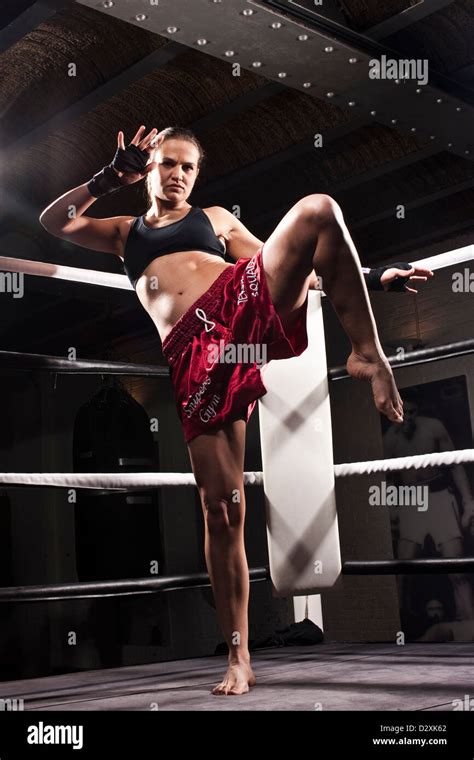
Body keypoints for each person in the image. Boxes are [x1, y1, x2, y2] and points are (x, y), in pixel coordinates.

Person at [40, 125, 433, 695]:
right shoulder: (127, 232)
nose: (177, 174)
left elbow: (309, 268)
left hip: (240, 306)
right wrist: (107, 179)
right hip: (194, 353)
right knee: (223, 510)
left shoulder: (217, 219)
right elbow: (56, 223)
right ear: (148, 169)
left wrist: (377, 277)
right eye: (168, 164)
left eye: (188, 167)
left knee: (318, 211)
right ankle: (239, 657)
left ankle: (367, 355)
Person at [384, 388, 474, 622]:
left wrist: (468, 502)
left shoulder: (434, 427)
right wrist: (391, 506)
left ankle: (468, 622)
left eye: (413, 411)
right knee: (403, 567)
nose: (409, 417)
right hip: (410, 500)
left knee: (456, 565)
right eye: (404, 411)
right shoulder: (390, 440)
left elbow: (456, 465)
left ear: (419, 411)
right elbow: (388, 478)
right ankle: (403, 624)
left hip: (439, 497)